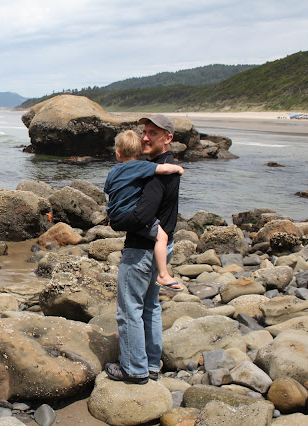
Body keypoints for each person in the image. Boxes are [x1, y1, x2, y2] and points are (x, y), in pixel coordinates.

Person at [104, 114, 182, 385]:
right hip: (162, 246)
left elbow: (140, 217)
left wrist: (115, 222)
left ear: (168, 138)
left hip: (141, 251)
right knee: (150, 306)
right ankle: (150, 364)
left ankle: (133, 369)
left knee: (129, 310)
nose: (146, 137)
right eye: (144, 132)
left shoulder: (153, 174)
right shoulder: (164, 166)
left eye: (153, 133)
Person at [104, 130, 183, 291]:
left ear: (118, 153)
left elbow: (108, 190)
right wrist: (178, 169)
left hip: (115, 213)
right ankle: (163, 274)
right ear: (140, 152)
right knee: (162, 237)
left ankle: (162, 275)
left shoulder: (113, 171)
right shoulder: (142, 166)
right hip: (130, 214)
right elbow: (164, 169)